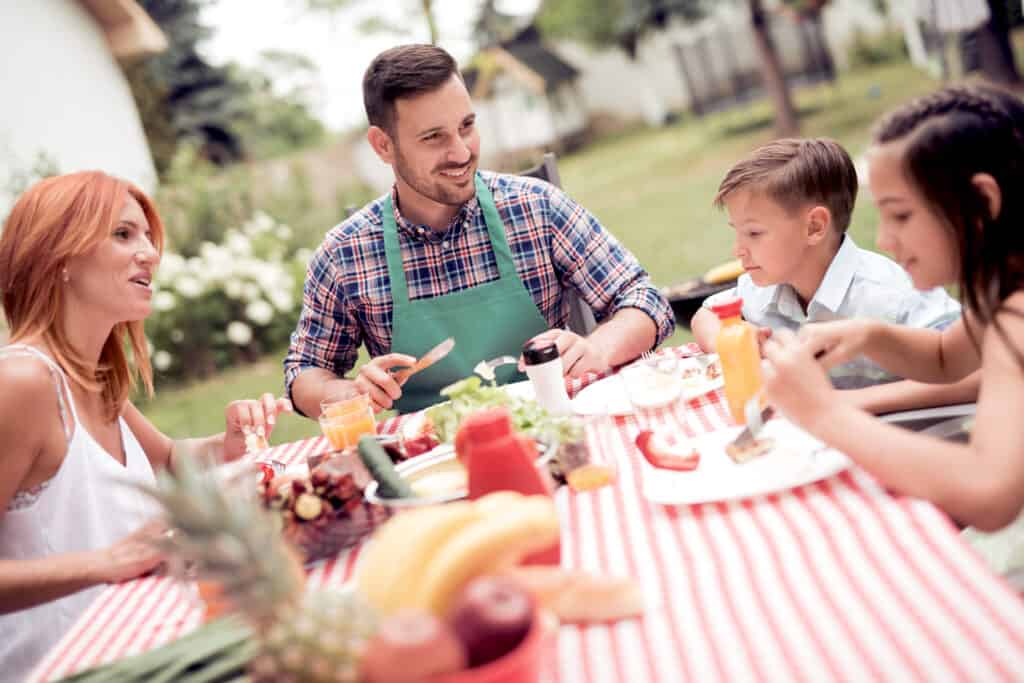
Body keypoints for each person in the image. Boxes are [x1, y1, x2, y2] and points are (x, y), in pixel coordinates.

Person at [0, 171, 292, 681]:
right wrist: (104, 562)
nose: (150, 253)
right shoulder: (22, 382)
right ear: (61, 257)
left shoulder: (90, 375)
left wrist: (225, 444)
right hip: (67, 670)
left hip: (153, 649)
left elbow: (171, 461)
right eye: (122, 234)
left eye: (145, 236)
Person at [285, 44, 674, 416]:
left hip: (557, 425)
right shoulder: (344, 254)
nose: (461, 152)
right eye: (434, 137)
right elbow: (305, 372)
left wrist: (599, 349)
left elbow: (645, 300)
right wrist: (350, 392)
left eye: (467, 126)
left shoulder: (536, 206)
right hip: (437, 459)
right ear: (383, 146)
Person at [761, 84, 1024, 532]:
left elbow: (988, 492)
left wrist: (825, 412)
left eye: (901, 215)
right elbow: (947, 356)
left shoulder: (1017, 315)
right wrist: (870, 335)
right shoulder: (1000, 288)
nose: (883, 240)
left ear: (982, 201)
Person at [691, 137, 978, 413]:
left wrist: (843, 403)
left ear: (814, 227)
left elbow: (976, 373)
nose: (738, 250)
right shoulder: (764, 285)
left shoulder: (893, 294)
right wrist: (734, 341)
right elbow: (705, 315)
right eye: (737, 232)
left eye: (753, 233)